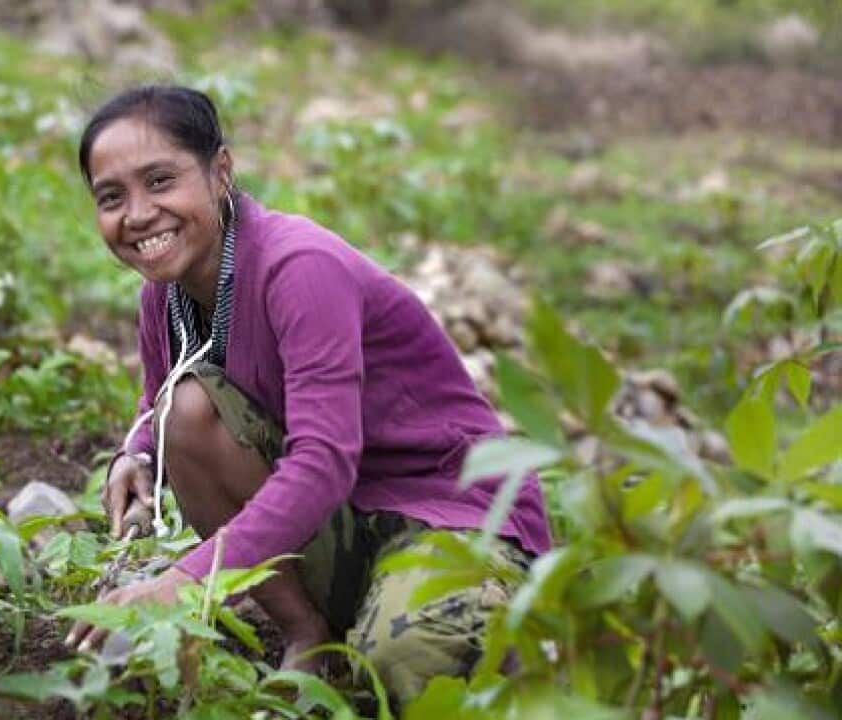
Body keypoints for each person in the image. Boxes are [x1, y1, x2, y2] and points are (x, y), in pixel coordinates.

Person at [63, 85, 551, 703]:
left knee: (409, 660)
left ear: (220, 172)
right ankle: (311, 638)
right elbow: (160, 396)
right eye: (112, 197)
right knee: (185, 410)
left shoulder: (298, 268)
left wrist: (183, 581)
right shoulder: (165, 291)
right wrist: (136, 456)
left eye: (160, 181)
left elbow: (323, 462)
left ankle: (502, 629)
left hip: (446, 514)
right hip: (346, 518)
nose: (137, 214)